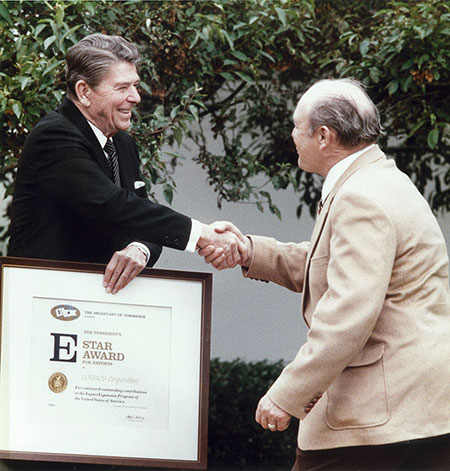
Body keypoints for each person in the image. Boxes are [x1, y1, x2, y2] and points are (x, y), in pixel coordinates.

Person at [200, 78, 450, 470]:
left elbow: (348, 312)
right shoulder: (381, 180)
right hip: (420, 410)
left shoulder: (359, 196)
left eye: (297, 127)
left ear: (323, 136)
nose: (291, 136)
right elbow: (334, 267)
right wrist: (251, 251)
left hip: (379, 416)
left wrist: (287, 393)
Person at [7, 33, 244, 294]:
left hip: (101, 303)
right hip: (43, 299)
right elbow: (111, 204)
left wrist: (139, 249)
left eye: (135, 86)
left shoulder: (121, 142)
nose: (136, 97)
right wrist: (203, 235)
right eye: (122, 88)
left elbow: (140, 214)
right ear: (84, 91)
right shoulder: (53, 137)